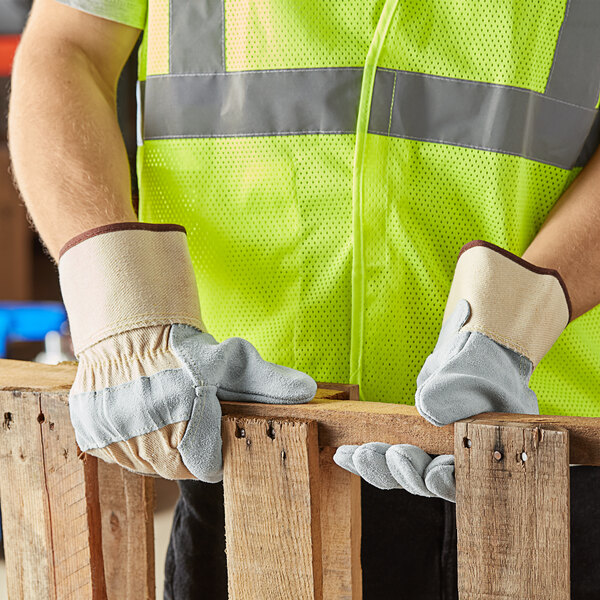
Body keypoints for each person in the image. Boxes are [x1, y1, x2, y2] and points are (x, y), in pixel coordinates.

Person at [8, 0, 600, 598]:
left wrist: (528, 314)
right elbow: (69, 46)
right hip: (241, 439)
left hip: (550, 438)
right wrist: (121, 310)